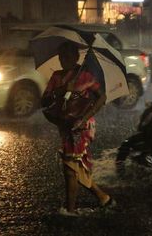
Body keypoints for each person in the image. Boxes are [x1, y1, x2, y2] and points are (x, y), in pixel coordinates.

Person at [41, 41, 116, 216]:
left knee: (69, 168)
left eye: (67, 57)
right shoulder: (57, 77)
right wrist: (61, 90)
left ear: (75, 57)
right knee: (75, 166)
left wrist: (84, 118)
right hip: (65, 125)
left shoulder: (86, 76)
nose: (63, 60)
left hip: (81, 127)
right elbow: (44, 101)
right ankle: (103, 197)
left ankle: (70, 209)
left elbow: (102, 97)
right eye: (61, 57)